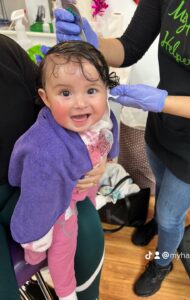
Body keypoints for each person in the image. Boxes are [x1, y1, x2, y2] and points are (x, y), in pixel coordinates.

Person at [54, 0, 190, 297]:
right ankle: (156, 222)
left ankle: (162, 262)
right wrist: (90, 42)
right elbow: (129, 46)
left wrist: (163, 101)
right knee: (159, 186)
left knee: (173, 214)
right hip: (161, 127)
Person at [0, 35, 109, 300]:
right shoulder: (38, 145)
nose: (80, 103)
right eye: (66, 93)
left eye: (91, 91)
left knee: (87, 228)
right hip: (31, 185)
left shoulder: (6, 52)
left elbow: (103, 128)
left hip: (33, 186)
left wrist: (101, 156)